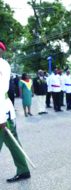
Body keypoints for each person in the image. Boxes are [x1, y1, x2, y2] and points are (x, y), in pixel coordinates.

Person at [0, 41, 31, 182]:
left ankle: (23, 170)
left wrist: (1, 119)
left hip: (2, 113)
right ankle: (23, 170)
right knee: (13, 142)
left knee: (12, 141)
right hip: (4, 112)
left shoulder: (2, 66)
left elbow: (0, 92)